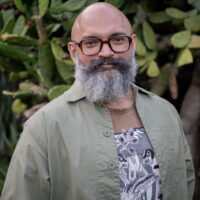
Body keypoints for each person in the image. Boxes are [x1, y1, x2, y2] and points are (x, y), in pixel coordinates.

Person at [1, 2, 195, 200]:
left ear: (133, 44)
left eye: (117, 40)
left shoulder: (166, 113)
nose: (106, 52)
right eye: (91, 43)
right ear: (74, 51)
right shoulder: (44, 127)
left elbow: (185, 184)